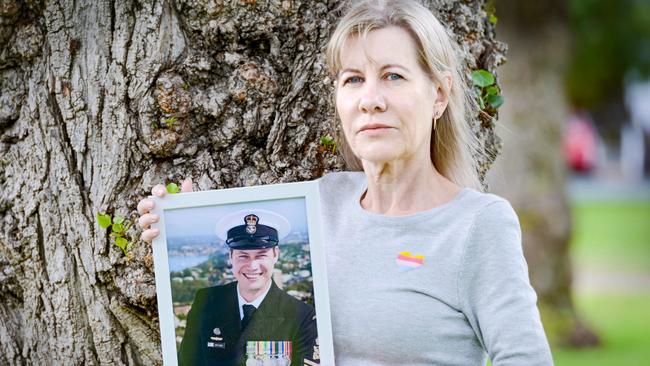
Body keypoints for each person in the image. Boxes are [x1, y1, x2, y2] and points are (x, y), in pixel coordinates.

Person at [139, 0, 553, 364]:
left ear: (439, 94)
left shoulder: (476, 225)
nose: (370, 98)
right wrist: (178, 222)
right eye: (353, 79)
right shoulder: (322, 201)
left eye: (393, 75)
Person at [176, 209, 318, 366]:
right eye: (243, 256)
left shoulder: (302, 317)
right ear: (231, 256)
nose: (252, 266)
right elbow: (186, 361)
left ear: (275, 254)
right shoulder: (206, 302)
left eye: (261, 255)